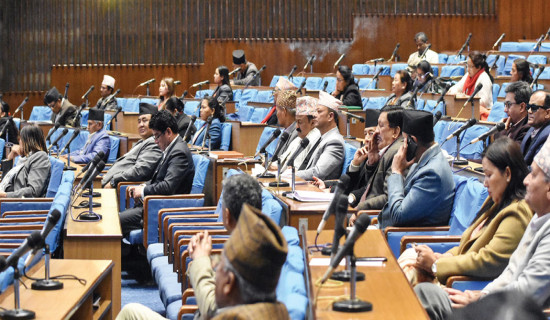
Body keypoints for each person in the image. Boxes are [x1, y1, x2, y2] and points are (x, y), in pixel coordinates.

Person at [414, 136, 550, 320]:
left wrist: (438, 265)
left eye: (533, 175)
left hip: (508, 313)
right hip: (493, 301)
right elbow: (510, 273)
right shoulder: (536, 218)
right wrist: (482, 296)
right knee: (421, 285)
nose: (526, 180)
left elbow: (527, 290)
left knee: (424, 294)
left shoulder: (521, 214)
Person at [405, 137, 532, 286]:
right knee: (410, 257)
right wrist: (442, 256)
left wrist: (436, 265)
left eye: (489, 175)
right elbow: (467, 246)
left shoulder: (517, 212)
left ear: (508, 174)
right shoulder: (496, 201)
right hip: (455, 276)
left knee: (409, 272)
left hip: (466, 287)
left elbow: (488, 262)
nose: (485, 183)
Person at [120, 110, 195, 236]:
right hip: (153, 204)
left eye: (156, 136)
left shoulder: (179, 153)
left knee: (116, 222)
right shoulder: (171, 148)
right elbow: (157, 178)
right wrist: (143, 186)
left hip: (163, 210)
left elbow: (168, 186)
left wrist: (143, 191)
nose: (155, 141)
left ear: (169, 132)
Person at [378, 109, 454, 229]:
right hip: (390, 230)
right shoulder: (423, 160)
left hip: (407, 238)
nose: (402, 146)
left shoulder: (432, 174)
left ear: (412, 141)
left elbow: (398, 215)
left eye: (404, 140)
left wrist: (396, 172)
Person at [346, 106, 404, 212]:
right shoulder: (385, 150)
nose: (376, 131)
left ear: (395, 132)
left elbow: (389, 196)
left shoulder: (397, 152)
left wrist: (361, 207)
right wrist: (371, 164)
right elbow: (371, 187)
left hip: (374, 215)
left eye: (381, 126)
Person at [101, 103, 162, 188]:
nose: (141, 125)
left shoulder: (154, 143)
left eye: (145, 120)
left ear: (154, 123)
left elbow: (140, 170)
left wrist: (113, 180)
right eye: (139, 121)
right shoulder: (142, 142)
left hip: (120, 187)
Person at [297, 91, 345, 181]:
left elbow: (318, 173)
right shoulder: (320, 136)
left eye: (319, 111)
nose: (314, 115)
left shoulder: (335, 142)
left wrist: (292, 174)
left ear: (330, 116)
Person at [0, 125, 51, 198]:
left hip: (12, 203)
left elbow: (33, 191)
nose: (19, 141)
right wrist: (10, 158)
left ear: (27, 140)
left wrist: (5, 195)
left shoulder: (40, 157)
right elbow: (6, 180)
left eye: (20, 138)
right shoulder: (24, 159)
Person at [279, 96, 321, 172]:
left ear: (313, 123)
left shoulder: (314, 141)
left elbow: (300, 170)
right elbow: (282, 160)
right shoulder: (298, 139)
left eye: (300, 122)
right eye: (296, 122)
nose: (296, 127)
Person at [448, 52, 494, 120]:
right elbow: (456, 88)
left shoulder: (484, 79)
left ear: (478, 67)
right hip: (469, 110)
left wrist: (465, 97)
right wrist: (454, 93)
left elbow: (483, 102)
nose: (468, 69)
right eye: (467, 66)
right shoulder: (468, 76)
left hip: (482, 115)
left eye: (470, 66)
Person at [521, 90, 550, 166]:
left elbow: (536, 170)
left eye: (534, 107)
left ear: (547, 113)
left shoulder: (547, 135)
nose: (529, 111)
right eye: (528, 107)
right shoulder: (532, 128)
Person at [271, 90, 299, 158]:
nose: (276, 114)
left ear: (284, 111)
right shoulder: (286, 131)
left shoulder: (297, 134)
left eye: (277, 111)